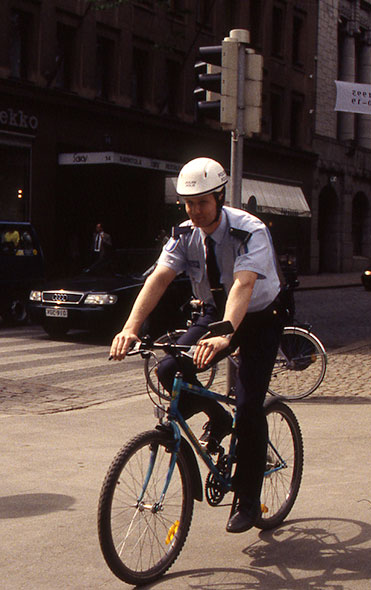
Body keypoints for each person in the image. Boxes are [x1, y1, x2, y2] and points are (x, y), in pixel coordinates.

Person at [109, 157, 283, 534]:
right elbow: (159, 279)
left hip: (258, 316)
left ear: (219, 196)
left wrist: (226, 335)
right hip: (213, 311)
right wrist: (131, 327)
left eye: (202, 202)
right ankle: (218, 418)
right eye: (188, 204)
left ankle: (249, 500)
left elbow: (244, 284)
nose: (195, 211)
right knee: (168, 368)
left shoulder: (249, 230)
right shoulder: (183, 234)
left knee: (250, 405)